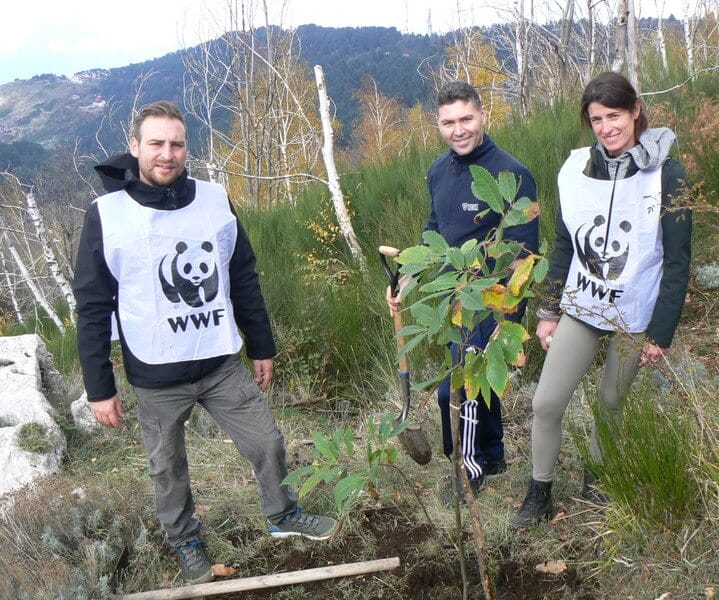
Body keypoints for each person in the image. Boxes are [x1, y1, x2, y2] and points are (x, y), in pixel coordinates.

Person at [74, 101, 338, 584]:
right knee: (167, 467)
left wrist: (261, 346)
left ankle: (283, 514)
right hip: (155, 373)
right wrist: (99, 386)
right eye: (156, 144)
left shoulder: (215, 199)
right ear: (135, 147)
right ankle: (186, 542)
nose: (167, 154)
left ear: (186, 149)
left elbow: (242, 276)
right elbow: (92, 303)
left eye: (176, 144)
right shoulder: (107, 214)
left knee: (268, 441)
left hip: (220, 361)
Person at [512, 72, 692, 527]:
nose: (607, 127)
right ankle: (539, 493)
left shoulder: (669, 174)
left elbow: (677, 262)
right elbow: (563, 244)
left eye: (615, 115)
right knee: (546, 403)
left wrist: (660, 332)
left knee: (611, 401)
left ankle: (597, 484)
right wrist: (549, 310)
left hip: (635, 313)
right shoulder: (575, 170)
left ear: (635, 111)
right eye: (597, 119)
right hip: (583, 305)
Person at [386, 81, 539, 500]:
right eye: (449, 122)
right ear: (438, 125)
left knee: (456, 389)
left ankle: (467, 468)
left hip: (494, 300)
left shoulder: (511, 174)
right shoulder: (437, 171)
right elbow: (434, 230)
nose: (459, 130)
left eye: (466, 119)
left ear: (483, 114)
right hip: (454, 298)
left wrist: (508, 315)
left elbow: (524, 254)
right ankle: (491, 454)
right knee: (478, 384)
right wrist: (405, 277)